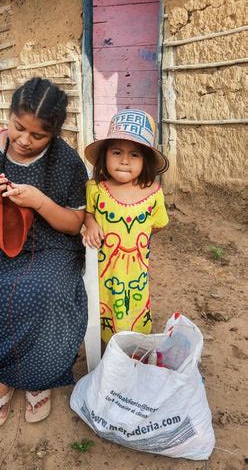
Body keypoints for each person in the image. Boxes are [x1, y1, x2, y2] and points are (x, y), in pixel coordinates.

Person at [0, 77, 88, 427]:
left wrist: (41, 202)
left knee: (44, 292)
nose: (25, 140)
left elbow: (74, 223)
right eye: (18, 128)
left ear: (55, 134)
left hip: (51, 244)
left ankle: (38, 377)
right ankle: (3, 376)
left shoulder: (66, 162)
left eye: (38, 135)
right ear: (9, 116)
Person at [82, 109, 169, 343]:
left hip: (136, 271)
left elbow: (158, 225)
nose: (124, 160)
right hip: (105, 269)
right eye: (117, 152)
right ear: (104, 156)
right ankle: (107, 349)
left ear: (146, 161)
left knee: (134, 306)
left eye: (134, 155)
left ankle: (134, 345)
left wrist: (137, 240)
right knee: (106, 304)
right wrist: (91, 224)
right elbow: (88, 213)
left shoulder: (153, 194)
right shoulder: (96, 189)